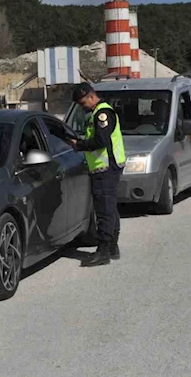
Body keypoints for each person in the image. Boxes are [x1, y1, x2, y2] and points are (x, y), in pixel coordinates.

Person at [68, 82, 126, 267]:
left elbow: (100, 141)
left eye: (83, 103)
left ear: (91, 97)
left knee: (104, 211)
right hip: (107, 167)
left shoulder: (103, 113)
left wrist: (79, 145)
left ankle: (103, 251)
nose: (82, 107)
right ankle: (112, 247)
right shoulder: (98, 112)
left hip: (106, 167)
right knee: (110, 208)